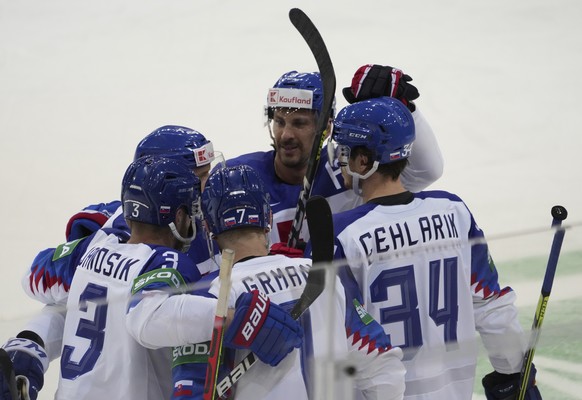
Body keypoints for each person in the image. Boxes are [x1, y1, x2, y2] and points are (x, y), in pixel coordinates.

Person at [0, 156, 302, 400]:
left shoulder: (94, 249)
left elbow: (34, 280)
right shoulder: (167, 262)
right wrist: (237, 318)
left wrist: (27, 344)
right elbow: (148, 317)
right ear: (180, 215)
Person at [324, 96, 541, 399]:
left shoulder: (341, 233)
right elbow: (492, 307)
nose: (339, 164)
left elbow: (350, 337)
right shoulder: (453, 210)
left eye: (344, 153)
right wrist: (515, 370)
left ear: (364, 161)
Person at [127, 164, 406, 399]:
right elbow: (383, 366)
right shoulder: (323, 276)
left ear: (209, 228)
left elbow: (192, 390)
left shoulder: (212, 298)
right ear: (268, 219)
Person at [224, 66, 443, 248]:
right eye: (280, 121)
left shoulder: (353, 168)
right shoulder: (241, 181)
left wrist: (405, 110)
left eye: (299, 123)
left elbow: (427, 171)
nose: (286, 134)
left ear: (327, 127)